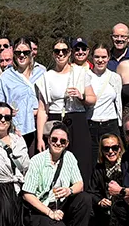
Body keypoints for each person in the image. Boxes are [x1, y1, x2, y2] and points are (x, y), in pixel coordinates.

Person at [22, 122, 93, 226]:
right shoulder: (37, 161)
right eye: (54, 139)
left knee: (85, 198)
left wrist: (69, 190)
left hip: (61, 203)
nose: (58, 143)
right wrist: (49, 212)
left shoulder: (69, 157)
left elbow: (79, 183)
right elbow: (27, 194)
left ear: (67, 144)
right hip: (41, 207)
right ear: (48, 140)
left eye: (62, 141)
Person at [35, 39, 97, 180]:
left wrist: (81, 96)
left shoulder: (80, 73)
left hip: (77, 119)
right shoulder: (47, 77)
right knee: (55, 162)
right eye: (57, 51)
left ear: (70, 53)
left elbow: (93, 99)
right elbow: (42, 110)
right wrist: (40, 138)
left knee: (81, 161)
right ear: (53, 54)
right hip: (56, 119)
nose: (61, 54)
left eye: (64, 51)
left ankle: (82, 196)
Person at [0, 37, 46, 153]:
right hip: (17, 128)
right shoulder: (5, 78)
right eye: (18, 53)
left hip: (41, 127)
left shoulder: (41, 73)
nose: (22, 55)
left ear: (31, 53)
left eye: (25, 52)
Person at [88, 43, 124, 147]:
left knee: (112, 158)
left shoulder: (115, 78)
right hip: (90, 124)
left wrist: (120, 124)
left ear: (108, 58)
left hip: (110, 124)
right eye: (97, 57)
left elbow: (118, 102)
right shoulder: (85, 76)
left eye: (104, 57)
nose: (100, 60)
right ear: (92, 58)